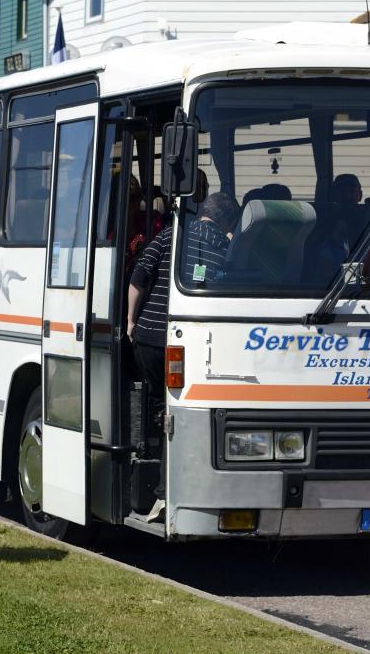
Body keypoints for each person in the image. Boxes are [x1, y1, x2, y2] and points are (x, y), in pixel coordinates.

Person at [125, 192, 240, 520]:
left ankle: (148, 472)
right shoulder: (223, 247)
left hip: (147, 335)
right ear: (226, 221)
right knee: (172, 416)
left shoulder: (169, 234)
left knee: (158, 407)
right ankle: (165, 492)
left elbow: (138, 279)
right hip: (182, 343)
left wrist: (131, 322)